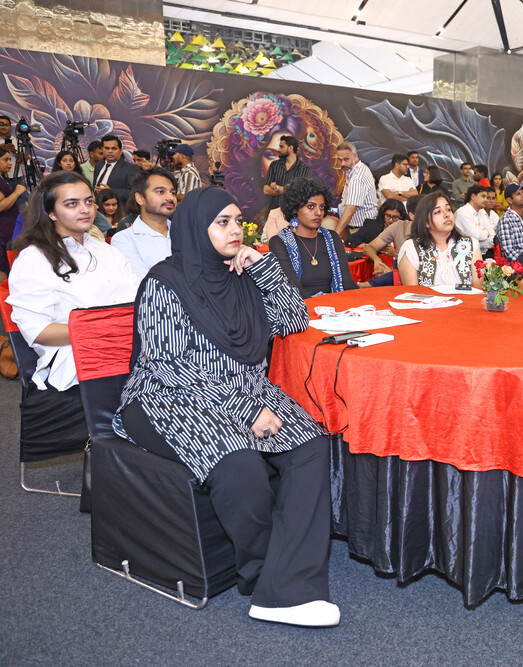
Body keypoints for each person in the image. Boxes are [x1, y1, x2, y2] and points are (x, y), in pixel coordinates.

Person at [113, 186, 339, 627]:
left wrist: (263, 267)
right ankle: (270, 582)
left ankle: (284, 578)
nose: (235, 230)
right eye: (222, 222)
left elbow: (295, 320)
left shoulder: (242, 274)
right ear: (197, 228)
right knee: (239, 463)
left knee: (311, 445)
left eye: (238, 221)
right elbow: (168, 365)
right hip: (170, 397)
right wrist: (245, 410)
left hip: (244, 387)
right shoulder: (164, 282)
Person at [7, 170, 139, 391]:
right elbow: (37, 330)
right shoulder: (35, 258)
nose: (85, 209)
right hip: (78, 369)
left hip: (129, 356)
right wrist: (104, 329)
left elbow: (138, 301)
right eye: (71, 204)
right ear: (51, 213)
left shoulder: (107, 250)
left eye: (88, 201)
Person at [270, 178, 357, 298]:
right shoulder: (279, 242)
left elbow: (347, 284)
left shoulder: (332, 238)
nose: (318, 213)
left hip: (336, 305)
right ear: (295, 209)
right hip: (301, 306)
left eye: (322, 207)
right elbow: (293, 291)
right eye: (311, 206)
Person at [398, 195, 483, 288]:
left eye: (448, 209)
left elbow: (478, 288)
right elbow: (412, 292)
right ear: (426, 222)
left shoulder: (470, 244)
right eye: (437, 212)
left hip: (466, 297)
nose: (447, 214)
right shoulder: (411, 248)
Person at [111, 168, 177, 279]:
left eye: (173, 193)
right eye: (160, 192)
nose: (170, 197)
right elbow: (145, 282)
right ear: (140, 198)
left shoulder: (185, 233)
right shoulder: (125, 239)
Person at [361, 195, 418, 286]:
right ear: (412, 215)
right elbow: (369, 248)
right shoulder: (399, 226)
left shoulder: (435, 231)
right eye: (388, 216)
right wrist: (377, 260)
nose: (391, 220)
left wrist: (395, 256)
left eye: (395, 217)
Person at [332, 141, 377, 239]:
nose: (343, 163)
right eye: (340, 160)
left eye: (346, 159)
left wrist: (336, 233)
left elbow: (351, 208)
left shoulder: (357, 178)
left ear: (355, 156)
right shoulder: (355, 170)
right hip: (362, 227)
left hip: (362, 230)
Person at [262, 135, 310, 214]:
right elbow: (266, 190)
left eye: (281, 147)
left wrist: (276, 187)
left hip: (293, 213)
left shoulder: (303, 168)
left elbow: (298, 194)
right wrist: (288, 191)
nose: (278, 149)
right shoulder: (274, 165)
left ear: (290, 148)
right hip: (274, 212)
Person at [0, 148, 27, 274]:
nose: (10, 163)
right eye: (5, 160)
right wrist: (17, 192)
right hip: (2, 231)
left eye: (10, 159)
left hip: (7, 229)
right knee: (3, 267)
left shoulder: (2, 178)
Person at [93, 134, 140, 202]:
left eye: (114, 148)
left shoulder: (131, 169)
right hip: (98, 206)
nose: (110, 151)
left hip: (119, 207)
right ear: (102, 149)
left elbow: (134, 193)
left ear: (120, 151)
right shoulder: (98, 165)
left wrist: (111, 191)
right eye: (107, 148)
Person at [453, 184, 495, 254]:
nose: (486, 200)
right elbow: (476, 236)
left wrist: (484, 235)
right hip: (466, 255)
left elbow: (492, 234)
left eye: (486, 197)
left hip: (483, 253)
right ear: (473, 196)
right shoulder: (462, 213)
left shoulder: (482, 211)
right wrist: (486, 232)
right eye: (483, 196)